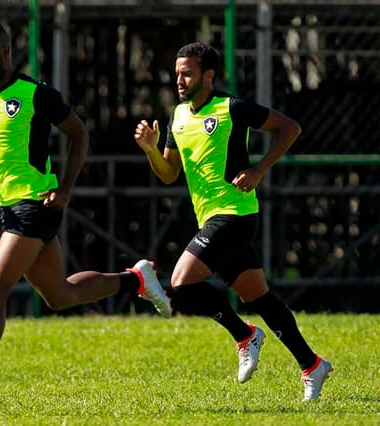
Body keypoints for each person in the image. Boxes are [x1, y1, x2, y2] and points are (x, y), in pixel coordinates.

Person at [0, 19, 171, 415]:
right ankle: (137, 279)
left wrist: (67, 187)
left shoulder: (36, 94)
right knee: (60, 295)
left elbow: (79, 134)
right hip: (9, 207)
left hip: (36, 205)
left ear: (5, 52)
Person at [134, 42, 332, 401]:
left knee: (180, 283)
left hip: (235, 215)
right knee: (261, 298)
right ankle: (312, 364)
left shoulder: (231, 107)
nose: (179, 80)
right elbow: (167, 173)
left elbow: (290, 128)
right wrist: (150, 149)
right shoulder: (177, 116)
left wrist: (259, 170)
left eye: (188, 73)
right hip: (209, 218)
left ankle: (244, 335)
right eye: (177, 73)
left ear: (208, 76)